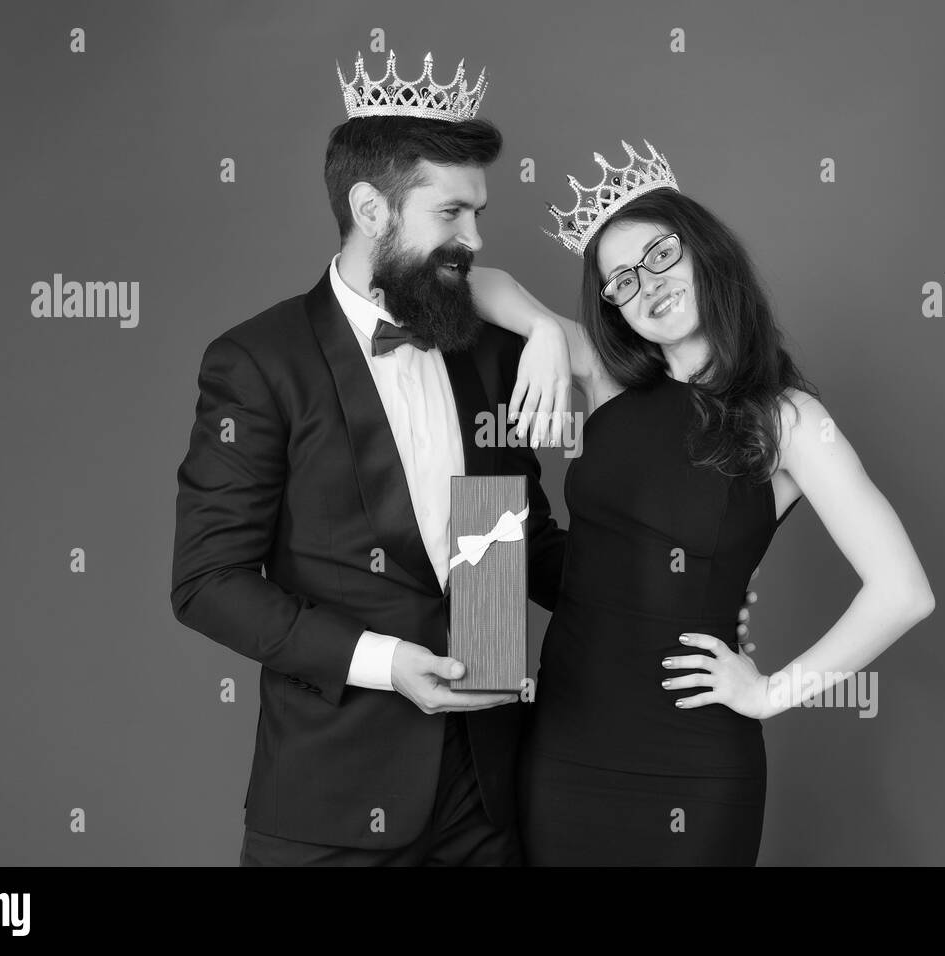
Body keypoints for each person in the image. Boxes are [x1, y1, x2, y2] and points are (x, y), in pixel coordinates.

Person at [169, 53, 758, 866]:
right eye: (452, 214)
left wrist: (670, 593)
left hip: (494, 795)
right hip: (333, 804)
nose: (475, 239)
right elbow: (207, 583)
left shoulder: (485, 347)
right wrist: (387, 664)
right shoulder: (259, 363)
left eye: (477, 213)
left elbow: (524, 539)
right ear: (371, 209)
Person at [469, 140, 936, 865]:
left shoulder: (790, 422)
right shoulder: (606, 381)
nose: (645, 285)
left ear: (703, 251)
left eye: (659, 256)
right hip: (563, 746)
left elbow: (904, 592)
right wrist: (538, 331)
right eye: (620, 281)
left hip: (694, 762)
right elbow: (474, 282)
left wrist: (772, 693)